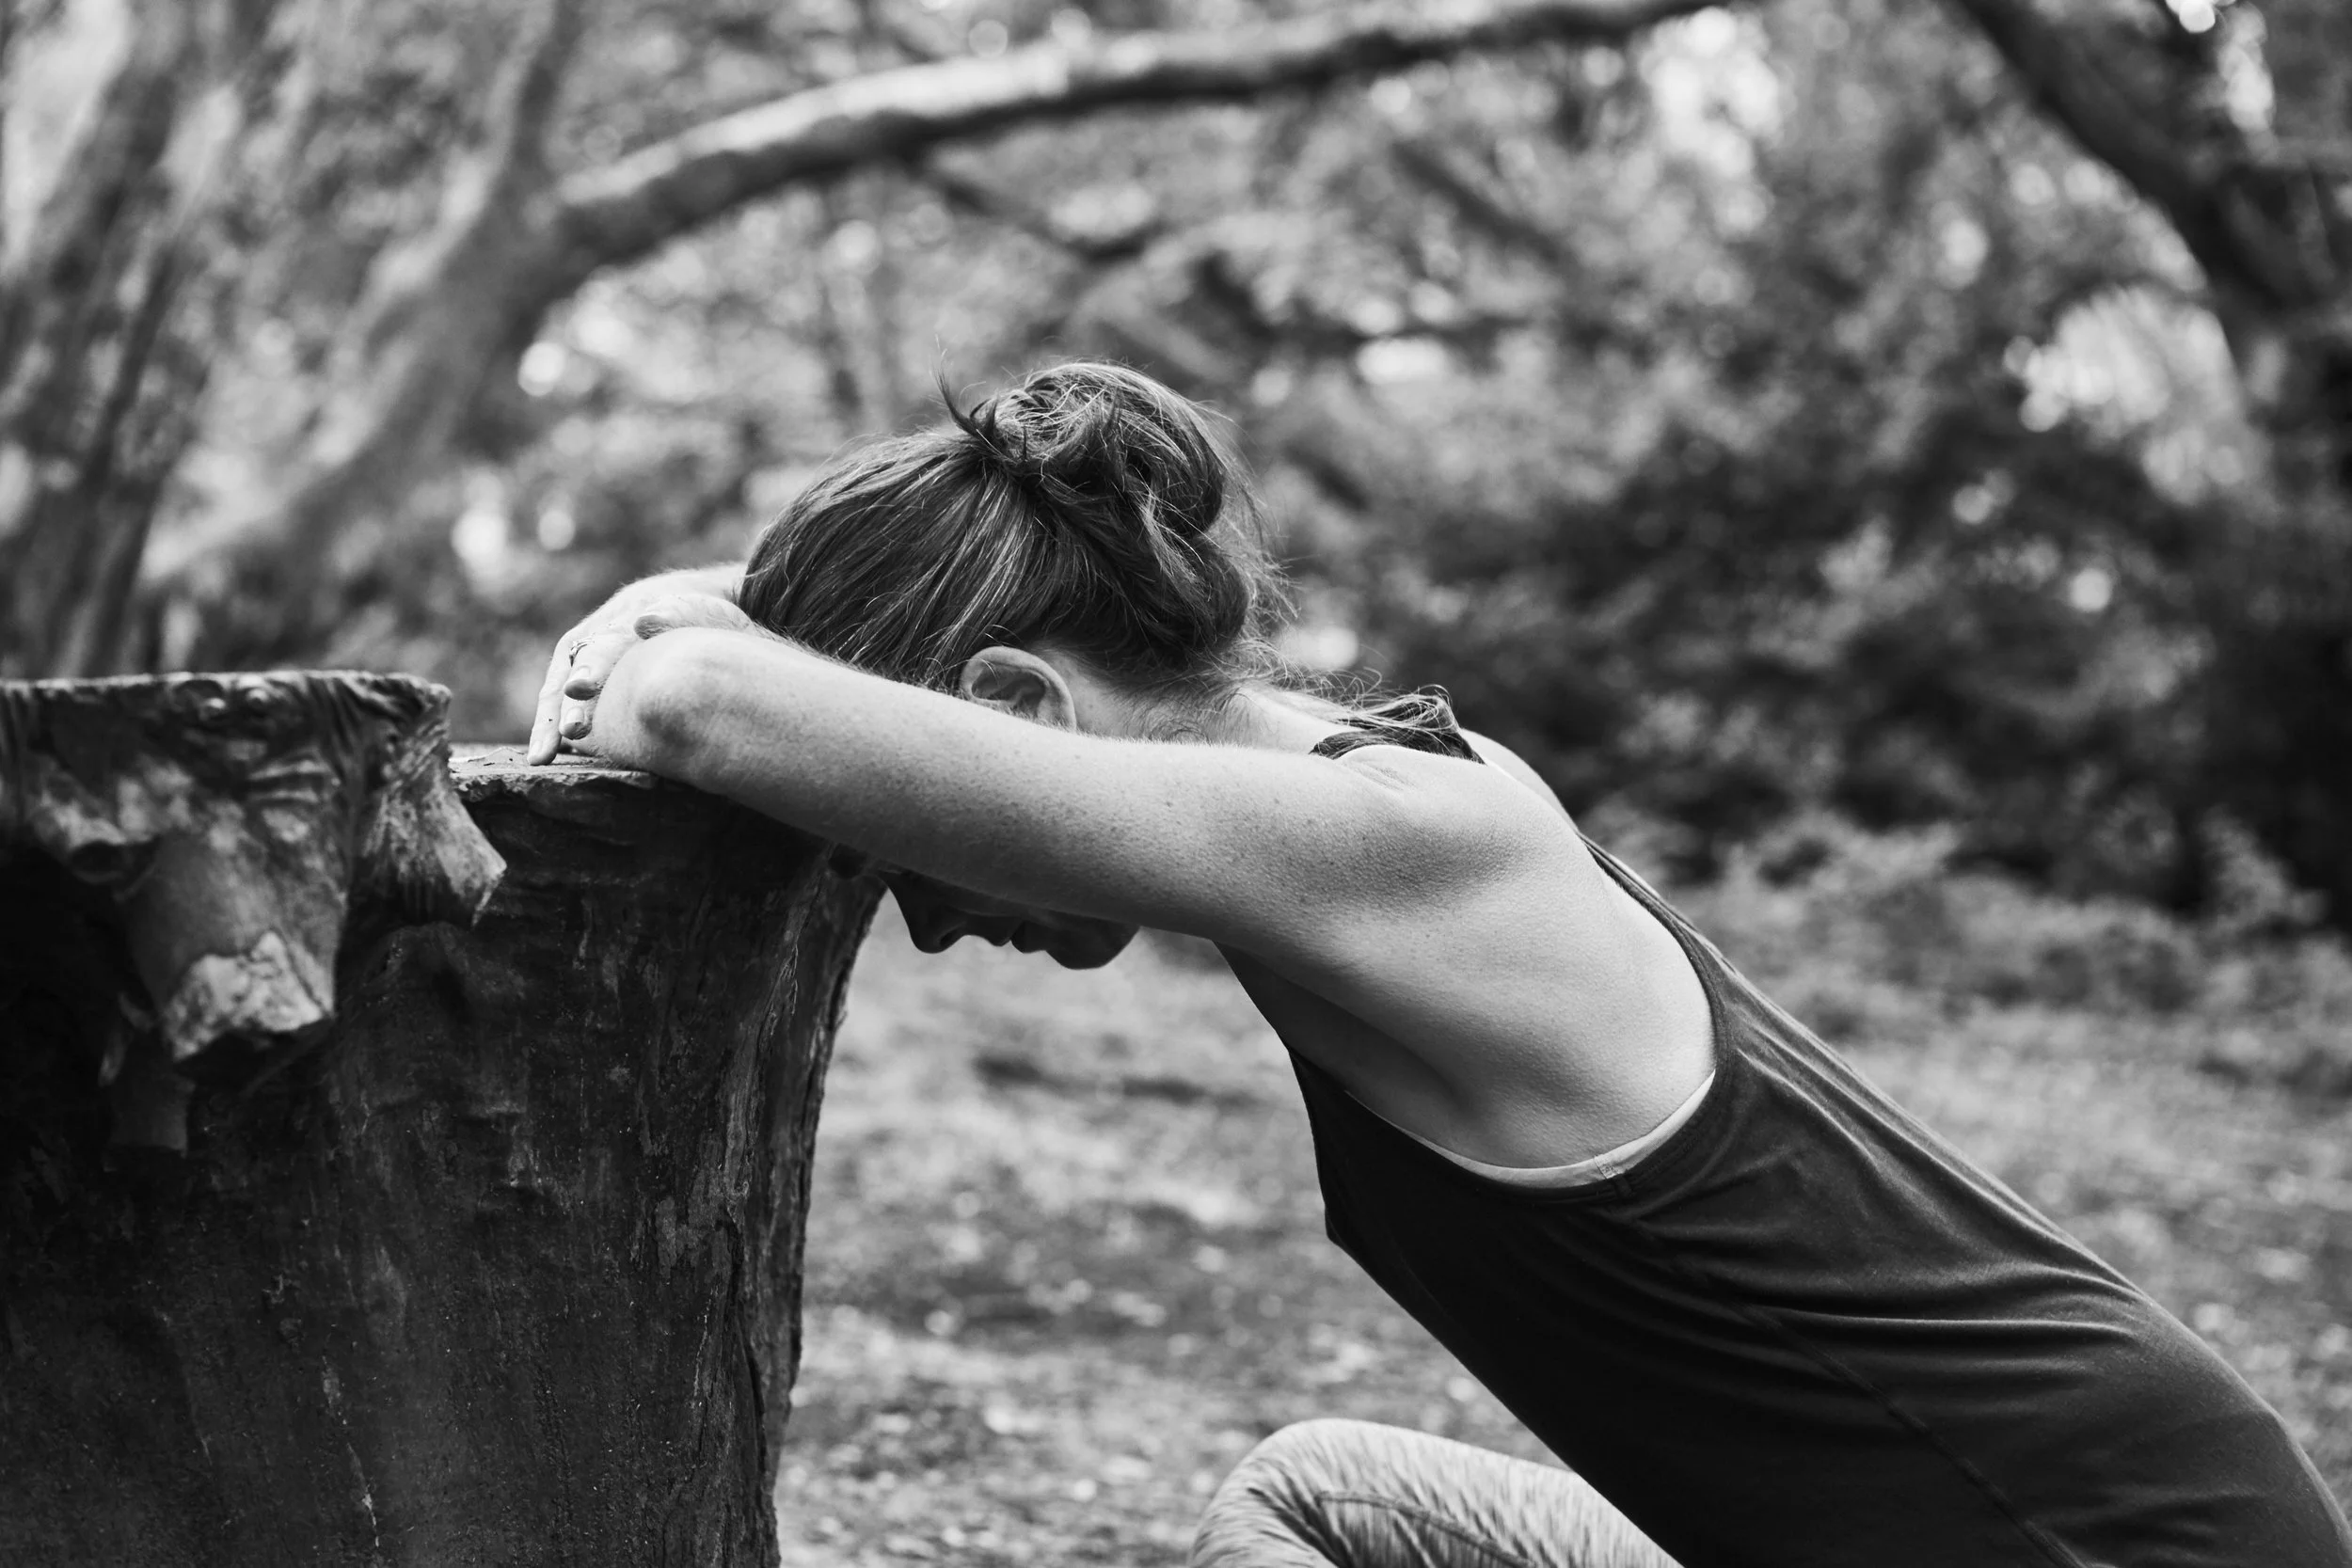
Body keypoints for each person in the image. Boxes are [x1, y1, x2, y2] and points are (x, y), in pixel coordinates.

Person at [527, 360, 2350, 1568]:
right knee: (1306, 1494)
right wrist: (724, 599)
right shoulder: (1354, 795)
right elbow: (798, 683)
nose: (929, 907)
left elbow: (701, 701)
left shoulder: (1390, 844)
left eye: (902, 853)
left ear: (1014, 705)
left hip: (2114, 1544)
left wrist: (663, 636)